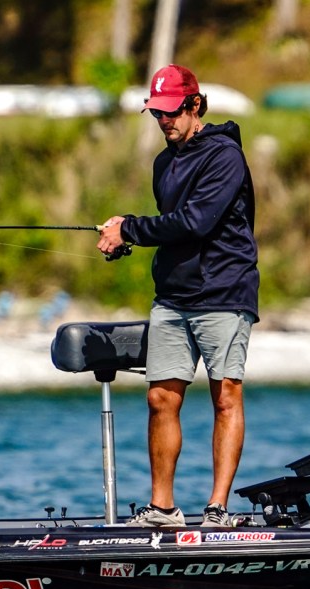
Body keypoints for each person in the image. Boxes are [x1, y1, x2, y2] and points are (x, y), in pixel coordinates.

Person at [96, 64, 259, 529]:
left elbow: (196, 222)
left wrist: (130, 228)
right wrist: (127, 235)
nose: (164, 120)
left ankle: (217, 510)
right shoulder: (162, 163)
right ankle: (163, 509)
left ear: (195, 105)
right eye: (157, 113)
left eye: (171, 112)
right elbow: (171, 228)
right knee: (160, 399)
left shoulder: (225, 156)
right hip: (173, 296)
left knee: (225, 397)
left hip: (225, 291)